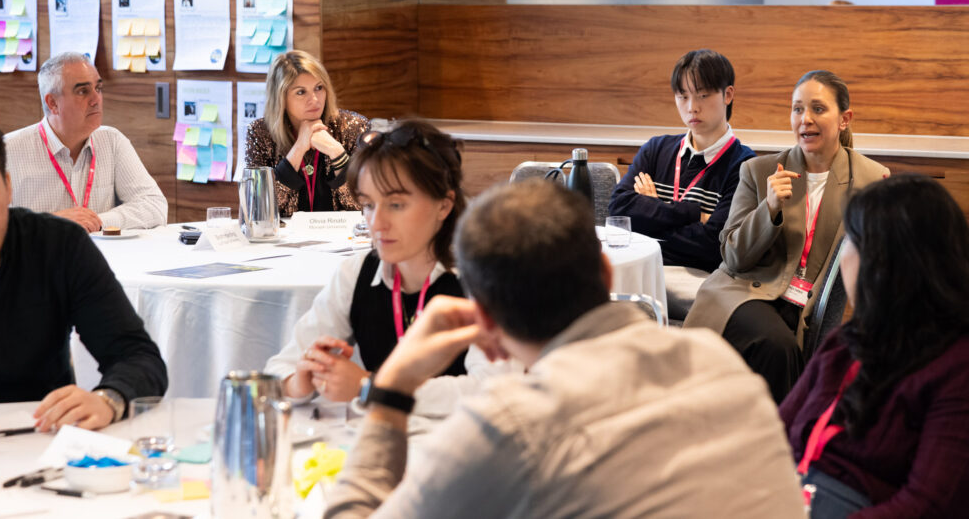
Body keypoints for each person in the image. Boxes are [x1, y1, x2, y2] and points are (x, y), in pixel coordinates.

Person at [324, 179, 806, 518]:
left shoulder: (510, 424)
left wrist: (390, 390)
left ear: (484, 320)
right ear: (608, 275)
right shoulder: (721, 362)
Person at [0, 112, 167, 440]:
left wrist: (108, 399)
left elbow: (138, 356)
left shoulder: (59, 246)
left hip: (45, 443)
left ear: (8, 187)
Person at [685, 70, 889, 403]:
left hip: (806, 305)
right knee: (777, 347)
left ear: (844, 119)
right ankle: (786, 432)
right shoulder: (758, 170)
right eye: (797, 109)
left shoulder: (870, 179)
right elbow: (733, 257)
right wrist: (768, 209)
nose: (805, 119)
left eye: (818, 109)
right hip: (745, 292)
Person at [780, 175, 969, 517]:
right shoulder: (846, 342)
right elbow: (776, 433)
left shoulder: (956, 367)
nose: (843, 256)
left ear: (887, 262)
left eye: (851, 240)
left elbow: (927, 505)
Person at [265, 119, 473, 412]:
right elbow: (280, 369)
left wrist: (372, 387)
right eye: (368, 205)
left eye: (396, 205)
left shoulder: (479, 280)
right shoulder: (357, 273)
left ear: (444, 205)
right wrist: (299, 382)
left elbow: (492, 390)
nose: (377, 223)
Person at [608, 49, 756, 319]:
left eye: (703, 95)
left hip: (700, 282)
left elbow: (714, 246)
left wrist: (652, 214)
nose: (692, 107)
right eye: (683, 96)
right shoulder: (656, 149)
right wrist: (692, 212)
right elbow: (618, 212)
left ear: (728, 95)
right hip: (642, 272)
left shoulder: (744, 165)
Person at [4, 52, 168, 232]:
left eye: (98, 88)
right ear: (53, 103)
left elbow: (154, 205)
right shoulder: (7, 151)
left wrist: (96, 222)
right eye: (83, 91)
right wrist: (53, 223)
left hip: (101, 250)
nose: (96, 99)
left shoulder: (112, 141)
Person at [244, 50, 369, 216]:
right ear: (281, 98)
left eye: (319, 88)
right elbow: (258, 210)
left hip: (342, 233)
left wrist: (337, 153)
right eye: (301, 92)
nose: (315, 100)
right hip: (283, 234)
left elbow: (365, 206)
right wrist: (298, 149)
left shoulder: (353, 127)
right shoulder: (260, 133)